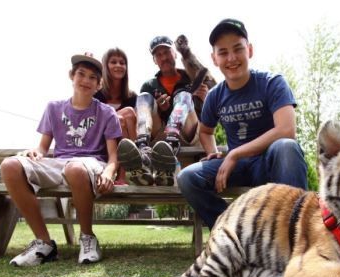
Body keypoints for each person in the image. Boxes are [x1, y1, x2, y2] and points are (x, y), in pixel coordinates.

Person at [177, 19, 308, 229]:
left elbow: (287, 130)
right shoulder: (215, 96)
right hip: (237, 167)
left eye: (238, 49)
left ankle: (294, 230)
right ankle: (233, 230)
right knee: (187, 178)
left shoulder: (272, 83)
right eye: (223, 52)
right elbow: (206, 131)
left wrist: (235, 153)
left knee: (287, 147)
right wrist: (212, 151)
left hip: (269, 162)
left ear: (250, 50)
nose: (231, 58)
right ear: (214, 58)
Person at [0, 52, 121, 266]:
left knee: (75, 168)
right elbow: (43, 148)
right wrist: (36, 153)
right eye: (81, 74)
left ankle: (87, 237)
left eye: (92, 77)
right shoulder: (53, 108)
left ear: (99, 84)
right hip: (58, 163)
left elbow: (113, 156)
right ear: (71, 76)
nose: (86, 80)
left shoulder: (107, 113)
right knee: (10, 165)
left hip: (91, 163)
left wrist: (109, 173)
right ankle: (44, 243)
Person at [117, 35, 209, 186]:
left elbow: (216, 107)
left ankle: (171, 146)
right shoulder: (150, 85)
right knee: (144, 97)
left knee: (184, 96)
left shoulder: (191, 76)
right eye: (158, 55)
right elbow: (147, 112)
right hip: (160, 138)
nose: (163, 57)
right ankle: (143, 149)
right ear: (154, 60)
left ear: (175, 53)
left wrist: (205, 97)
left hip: (190, 133)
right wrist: (159, 110)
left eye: (166, 52)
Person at [95, 47, 137, 185]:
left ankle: (122, 176)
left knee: (127, 116)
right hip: (100, 139)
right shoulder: (97, 94)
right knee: (122, 117)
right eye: (113, 62)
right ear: (105, 66)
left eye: (122, 62)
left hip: (122, 140)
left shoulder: (131, 97)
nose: (119, 65)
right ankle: (137, 164)